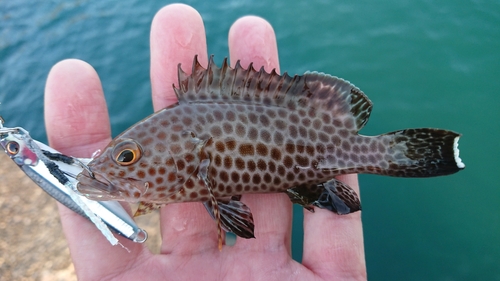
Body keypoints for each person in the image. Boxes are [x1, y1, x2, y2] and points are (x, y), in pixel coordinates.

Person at [44, 4, 367, 280]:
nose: (118, 166)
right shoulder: (189, 165)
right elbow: (231, 212)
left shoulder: (194, 152)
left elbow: (230, 211)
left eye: (126, 156)